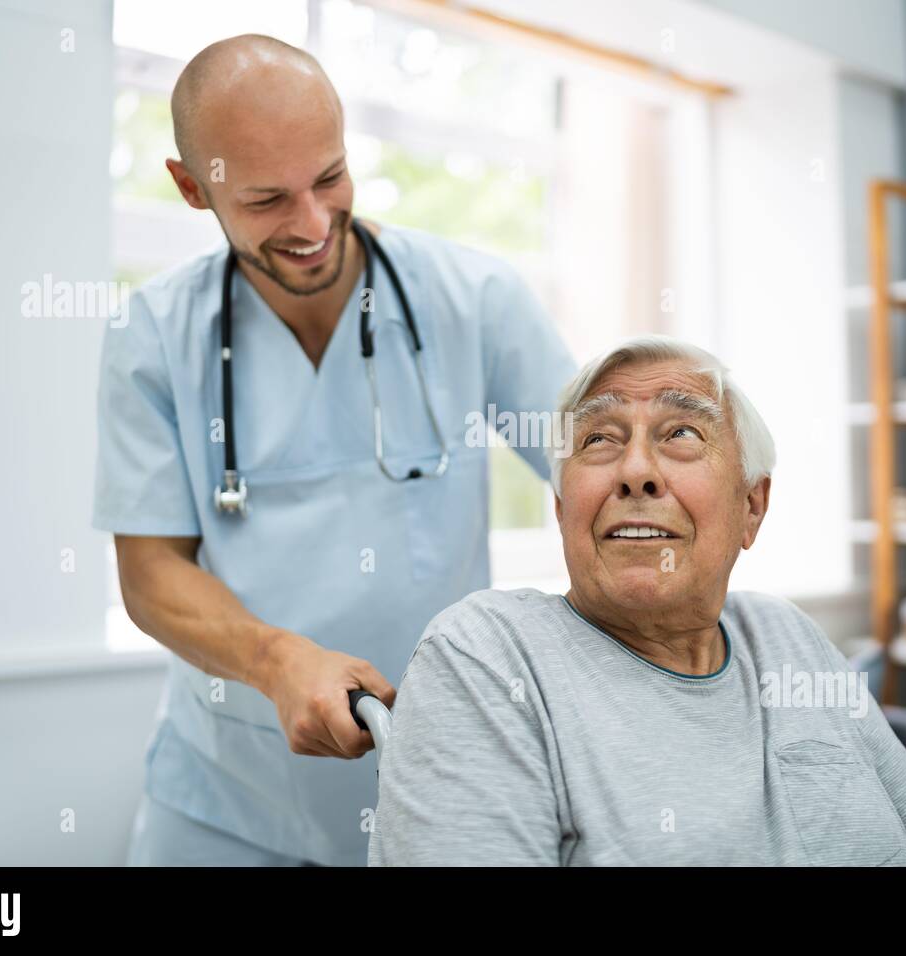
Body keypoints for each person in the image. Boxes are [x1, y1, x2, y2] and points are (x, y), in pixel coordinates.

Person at [93, 34, 574, 865]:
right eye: (268, 199)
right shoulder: (155, 337)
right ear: (190, 188)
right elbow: (149, 573)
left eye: (329, 177)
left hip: (437, 784)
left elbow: (596, 469)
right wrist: (278, 660)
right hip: (224, 795)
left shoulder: (477, 300)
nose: (313, 225)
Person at [368, 335, 906, 866]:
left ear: (752, 506)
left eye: (682, 432)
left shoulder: (787, 635)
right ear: (562, 509)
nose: (635, 470)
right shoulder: (486, 656)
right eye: (599, 440)